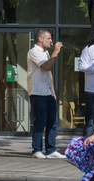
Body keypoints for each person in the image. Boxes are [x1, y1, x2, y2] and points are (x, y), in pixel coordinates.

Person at [27, 29, 66, 159]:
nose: (51, 41)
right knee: (40, 121)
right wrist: (56, 51)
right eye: (48, 38)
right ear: (40, 39)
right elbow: (46, 67)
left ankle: (51, 150)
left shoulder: (46, 53)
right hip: (37, 92)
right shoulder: (34, 52)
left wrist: (53, 91)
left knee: (52, 121)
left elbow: (49, 73)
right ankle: (37, 150)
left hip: (48, 92)